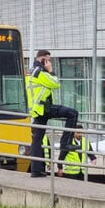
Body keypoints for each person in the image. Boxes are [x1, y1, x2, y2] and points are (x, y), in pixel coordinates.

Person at [26, 49, 79, 178]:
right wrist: (50, 70)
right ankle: (65, 143)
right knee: (73, 113)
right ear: (43, 59)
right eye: (48, 60)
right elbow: (55, 84)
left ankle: (36, 170)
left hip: (37, 109)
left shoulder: (31, 71)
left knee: (37, 139)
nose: (50, 62)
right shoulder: (40, 72)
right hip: (45, 108)